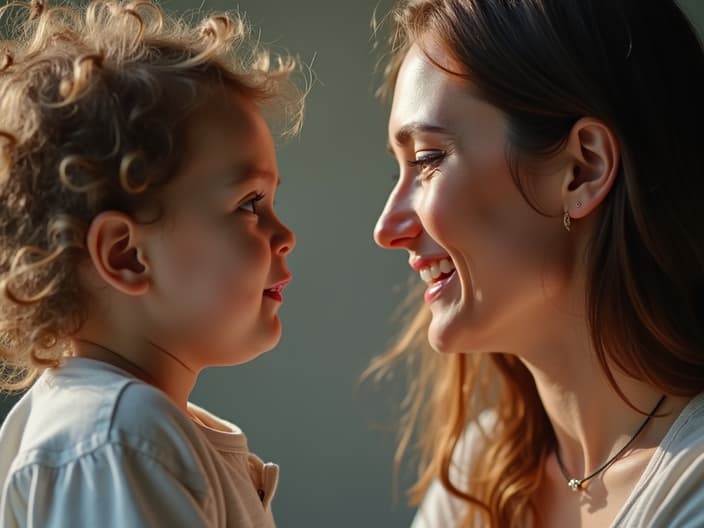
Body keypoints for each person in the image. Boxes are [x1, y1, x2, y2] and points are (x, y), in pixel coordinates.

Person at [370, 0, 704, 526]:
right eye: (398, 170)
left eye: (428, 160)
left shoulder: (692, 488)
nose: (387, 229)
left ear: (582, 169)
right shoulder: (476, 476)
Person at [0, 1, 303, 526]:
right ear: (126, 254)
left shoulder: (141, 428)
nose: (287, 236)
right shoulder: (118, 438)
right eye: (250, 205)